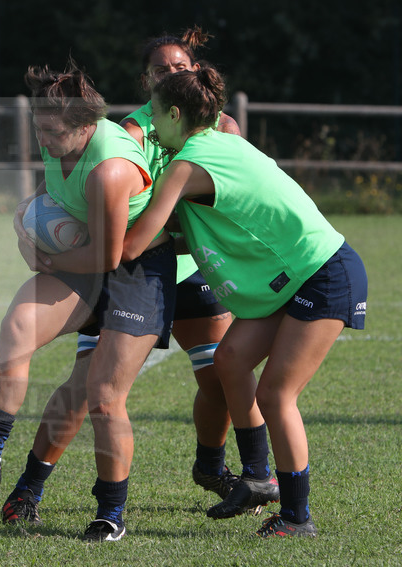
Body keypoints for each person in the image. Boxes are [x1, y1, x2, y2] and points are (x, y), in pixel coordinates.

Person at [0, 27, 255, 530]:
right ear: (146, 81)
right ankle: (31, 485)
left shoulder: (224, 129)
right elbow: (120, 212)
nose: (172, 75)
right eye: (161, 70)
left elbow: (227, 204)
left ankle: (214, 466)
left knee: (222, 377)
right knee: (88, 389)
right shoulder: (135, 130)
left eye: (180, 67)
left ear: (197, 71)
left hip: (192, 266)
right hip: (135, 264)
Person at [119, 66, 367, 537]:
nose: (150, 125)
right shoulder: (223, 142)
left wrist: (70, 244)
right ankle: (257, 477)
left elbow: (133, 245)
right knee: (229, 359)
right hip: (297, 275)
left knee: (276, 394)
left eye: (155, 114)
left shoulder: (186, 165)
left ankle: (297, 518)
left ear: (175, 114)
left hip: (322, 273)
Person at [0, 59, 177, 542]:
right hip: (78, 257)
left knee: (103, 398)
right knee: (17, 329)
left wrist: (48, 260)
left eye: (50, 130)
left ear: (86, 126)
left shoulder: (110, 167)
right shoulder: (59, 143)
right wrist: (26, 233)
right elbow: (45, 199)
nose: (42, 139)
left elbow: (111, 255)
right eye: (37, 127)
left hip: (135, 270)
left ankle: (111, 514)